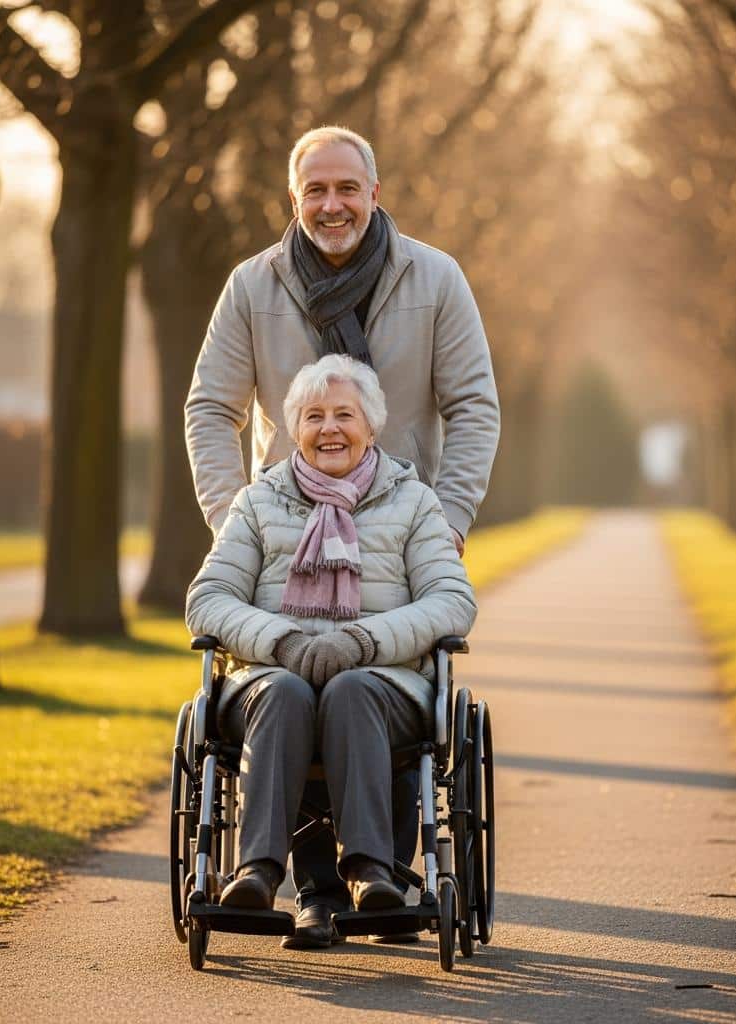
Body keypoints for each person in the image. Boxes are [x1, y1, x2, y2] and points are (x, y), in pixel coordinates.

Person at [185, 125, 499, 946]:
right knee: (290, 688)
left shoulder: (435, 279)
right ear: (295, 200)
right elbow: (211, 410)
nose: (332, 205)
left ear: (374, 193)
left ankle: (370, 876)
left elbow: (473, 406)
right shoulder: (252, 286)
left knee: (363, 686)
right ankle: (310, 886)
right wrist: (242, 526)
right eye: (315, 191)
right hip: (283, 528)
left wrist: (449, 519)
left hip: (398, 522)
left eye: (347, 189)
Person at [185, 356, 477, 922]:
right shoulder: (257, 502)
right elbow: (208, 598)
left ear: (371, 426)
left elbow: (453, 600)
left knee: (350, 690)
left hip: (384, 683)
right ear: (295, 429)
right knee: (286, 692)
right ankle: (256, 873)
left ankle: (371, 871)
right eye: (314, 416)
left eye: (345, 414)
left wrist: (362, 643)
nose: (330, 429)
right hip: (272, 679)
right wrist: (285, 643)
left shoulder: (414, 503)